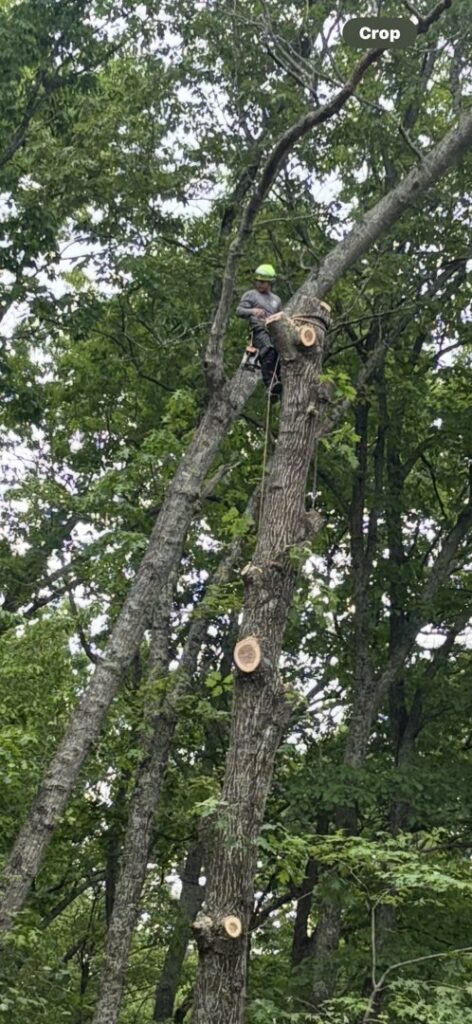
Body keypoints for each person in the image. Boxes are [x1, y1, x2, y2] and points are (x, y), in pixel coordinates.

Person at [236, 264, 283, 399]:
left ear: (269, 282)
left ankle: (277, 386)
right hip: (258, 330)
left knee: (279, 356)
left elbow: (280, 315)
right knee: (268, 350)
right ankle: (269, 384)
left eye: (262, 282)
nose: (259, 284)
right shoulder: (251, 295)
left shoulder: (276, 300)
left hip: (273, 331)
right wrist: (252, 311)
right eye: (258, 281)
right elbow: (239, 311)